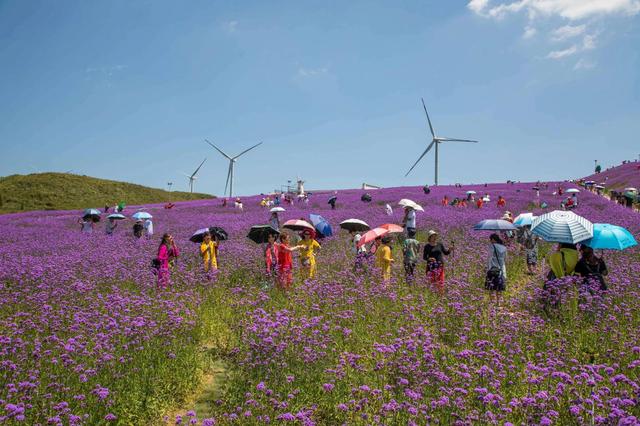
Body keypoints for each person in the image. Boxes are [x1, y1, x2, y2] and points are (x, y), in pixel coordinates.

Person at [485, 233, 507, 306]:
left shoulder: (492, 247)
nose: (490, 241)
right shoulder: (504, 247)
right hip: (501, 270)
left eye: (490, 240)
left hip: (492, 269)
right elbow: (505, 259)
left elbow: (489, 258)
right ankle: (498, 302)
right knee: (499, 287)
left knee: (491, 286)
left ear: (493, 240)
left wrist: (487, 268)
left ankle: (492, 302)